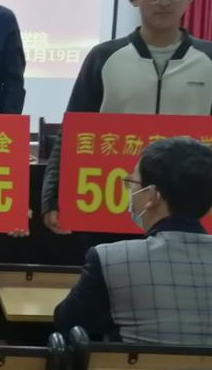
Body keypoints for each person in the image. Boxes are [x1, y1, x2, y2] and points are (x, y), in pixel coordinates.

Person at [42, 0, 212, 238]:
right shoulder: (104, 57)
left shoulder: (208, 58)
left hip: (190, 206)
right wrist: (52, 197)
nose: (164, 1)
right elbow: (72, 129)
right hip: (112, 201)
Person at [54, 137, 212, 345]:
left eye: (132, 183)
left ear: (151, 197)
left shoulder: (110, 260)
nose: (129, 190)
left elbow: (66, 323)